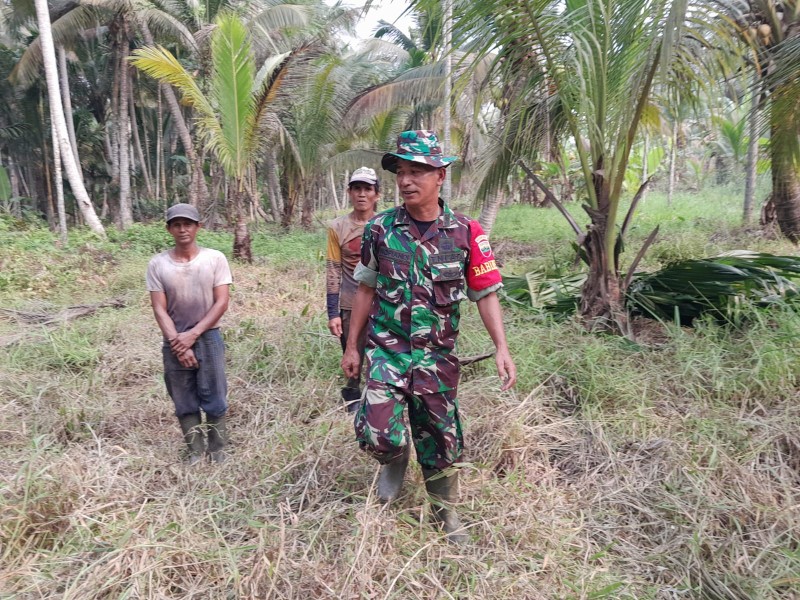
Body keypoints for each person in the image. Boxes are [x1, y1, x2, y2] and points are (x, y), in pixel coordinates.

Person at [342, 130, 517, 543]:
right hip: (388, 349)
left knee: (442, 439)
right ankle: (394, 458)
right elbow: (365, 289)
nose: (406, 180)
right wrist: (352, 346)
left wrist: (501, 348)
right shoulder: (381, 230)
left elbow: (485, 295)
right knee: (376, 431)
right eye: (401, 171)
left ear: (440, 174)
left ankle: (445, 514)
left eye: (417, 170)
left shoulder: (466, 233)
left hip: (437, 356)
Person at [146, 203, 233, 465]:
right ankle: (195, 451)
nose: (182, 229)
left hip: (208, 336)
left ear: (198, 227)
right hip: (174, 339)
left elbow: (221, 302)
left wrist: (192, 335)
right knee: (182, 397)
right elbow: (159, 308)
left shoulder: (214, 259)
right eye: (177, 225)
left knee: (215, 395)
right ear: (169, 229)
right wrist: (177, 343)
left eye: (188, 224)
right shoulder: (158, 264)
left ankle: (218, 451)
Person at [326, 167, 381, 412]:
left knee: (379, 354)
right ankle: (351, 398)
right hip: (349, 303)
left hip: (383, 303)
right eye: (357, 188)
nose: (362, 194)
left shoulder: (385, 223)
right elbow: (333, 269)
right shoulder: (337, 227)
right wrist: (333, 313)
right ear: (349, 192)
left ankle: (377, 400)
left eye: (367, 189)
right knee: (352, 353)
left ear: (376, 195)